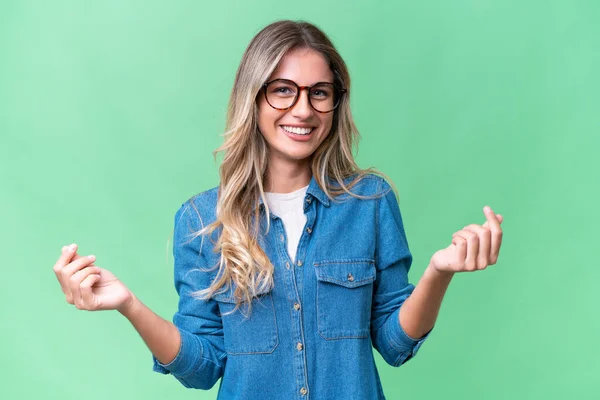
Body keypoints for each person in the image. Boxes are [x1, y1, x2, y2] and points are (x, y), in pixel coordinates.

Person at [52, 20, 504, 400]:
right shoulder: (200, 221)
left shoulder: (370, 201)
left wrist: (438, 272)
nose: (303, 110)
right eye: (283, 90)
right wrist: (128, 305)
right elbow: (203, 367)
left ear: (336, 102)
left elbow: (394, 343)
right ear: (253, 97)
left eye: (320, 93)